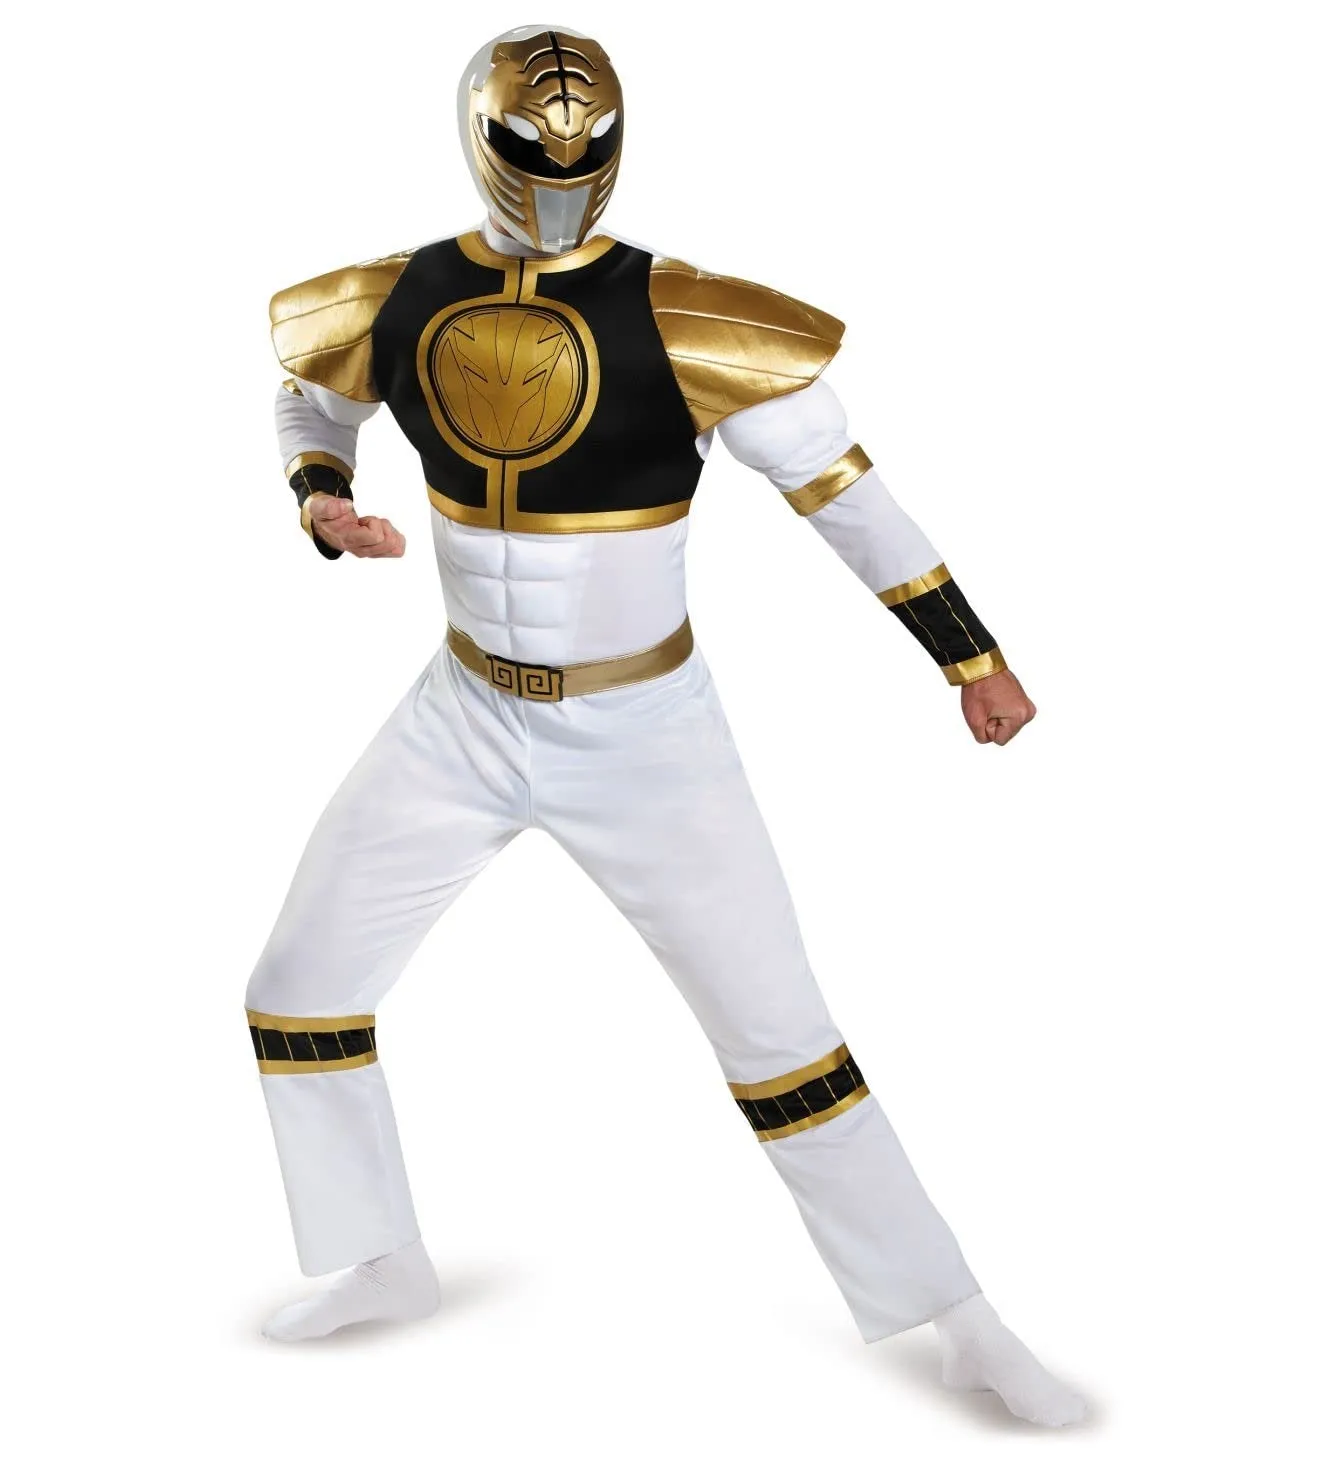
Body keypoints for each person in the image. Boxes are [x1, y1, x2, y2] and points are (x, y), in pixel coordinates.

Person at [247, 24, 1084, 1427]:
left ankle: (961, 1320)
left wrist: (970, 656)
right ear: (482, 141)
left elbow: (847, 498)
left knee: (780, 1038)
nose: (558, 173)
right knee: (299, 987)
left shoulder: (690, 317)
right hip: (462, 709)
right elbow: (308, 397)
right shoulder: (398, 294)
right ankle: (378, 1255)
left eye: (580, 149)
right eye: (532, 147)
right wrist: (319, 497)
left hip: (644, 732)